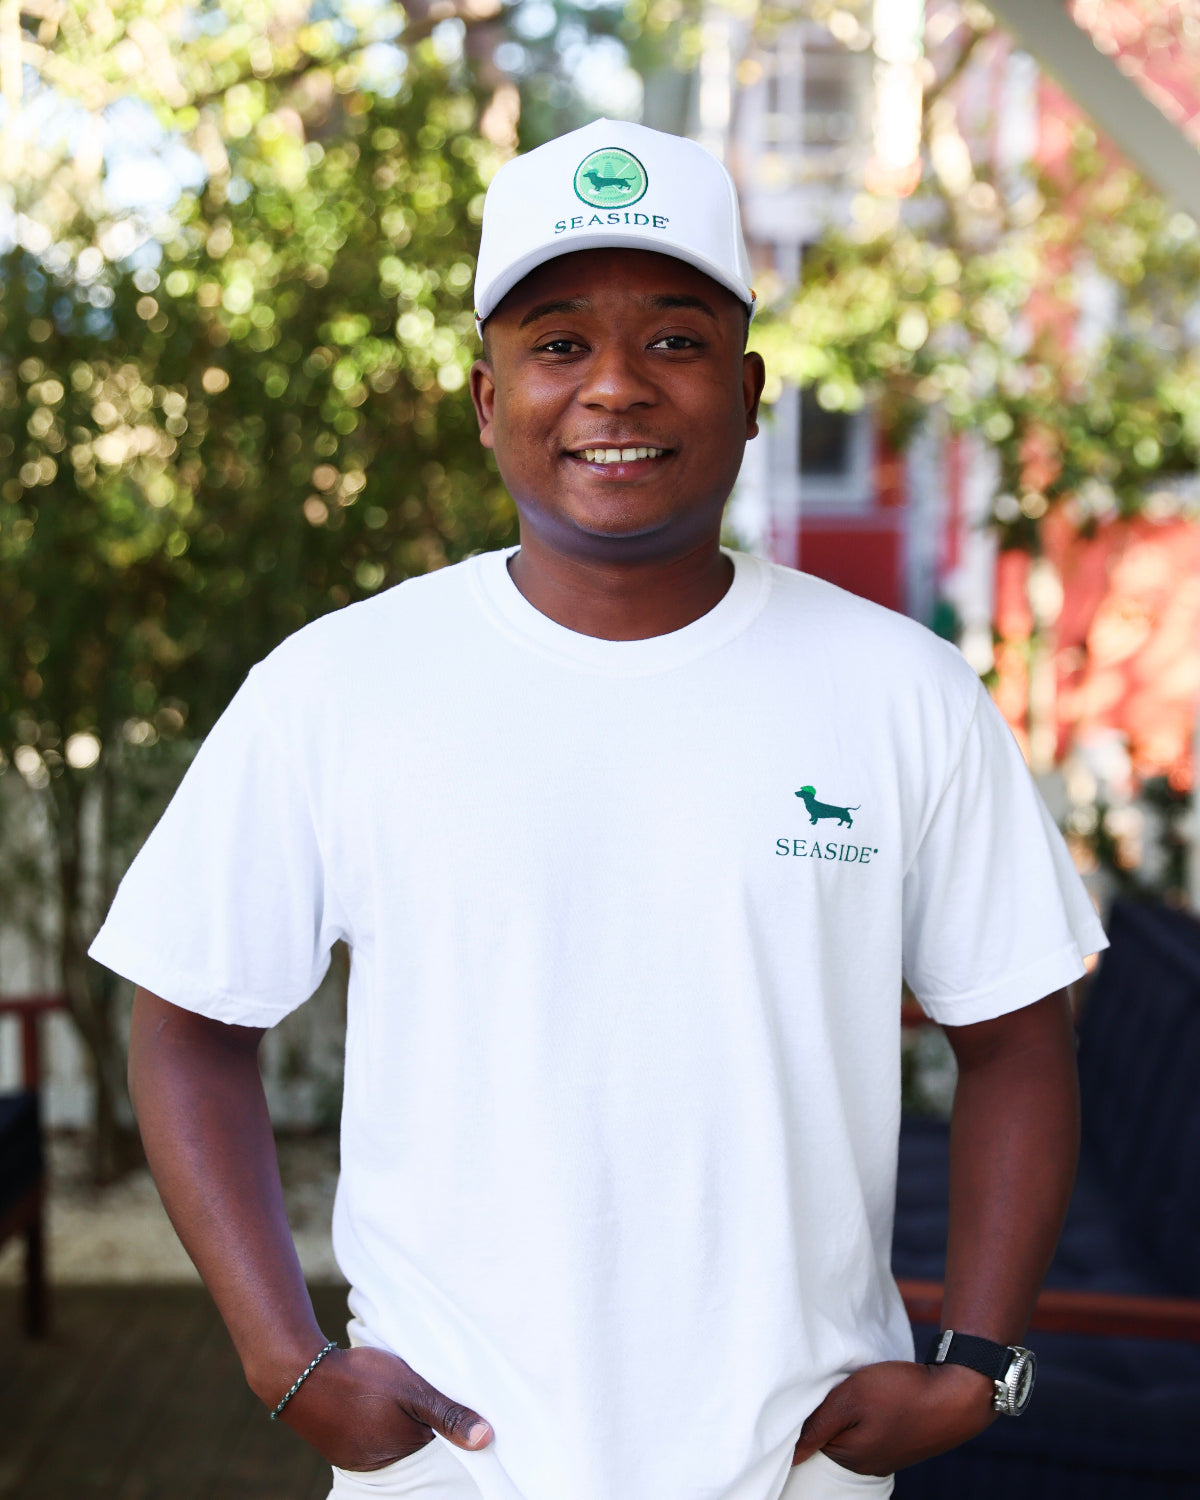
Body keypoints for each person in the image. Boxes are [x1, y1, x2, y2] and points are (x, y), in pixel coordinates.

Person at [89, 118, 1108, 1500]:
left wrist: (977, 1363)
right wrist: (287, 1359)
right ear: (482, 396)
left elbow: (1019, 1037)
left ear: (749, 393)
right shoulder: (339, 686)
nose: (616, 388)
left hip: (793, 1477)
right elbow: (189, 1023)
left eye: (675, 341)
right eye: (558, 343)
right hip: (452, 1481)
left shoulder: (902, 691)